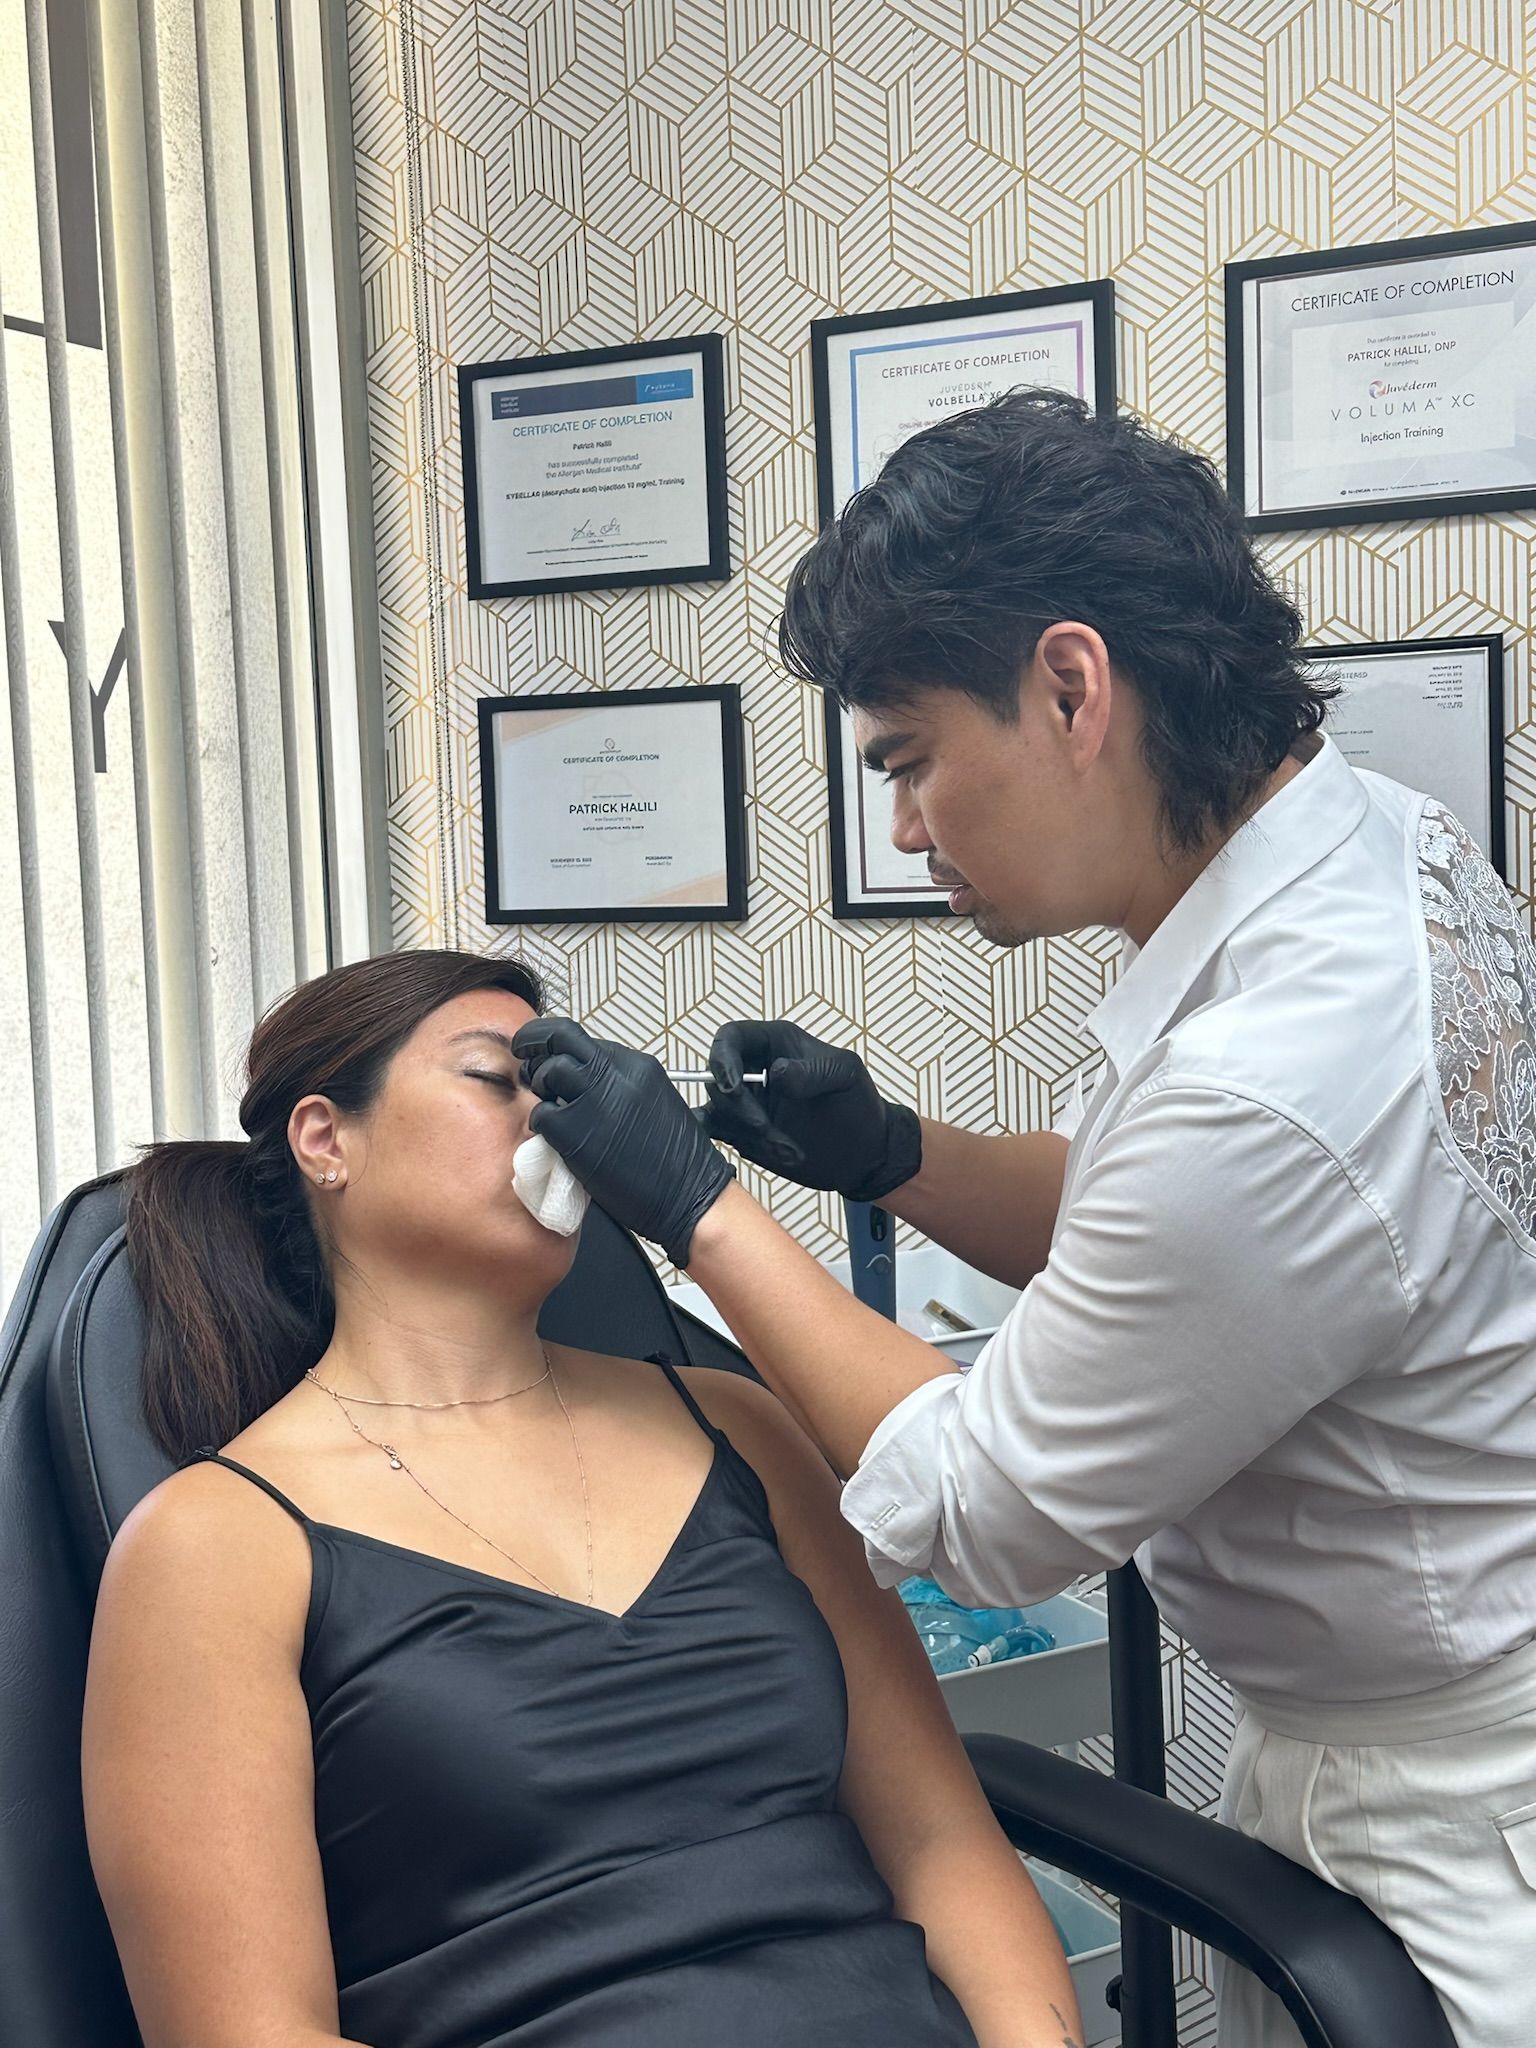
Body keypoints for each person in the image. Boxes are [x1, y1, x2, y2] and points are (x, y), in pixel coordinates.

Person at [512, 389, 1536, 2048]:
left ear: (1070, 685)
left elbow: (986, 1509)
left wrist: (699, 1207)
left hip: (1461, 1828)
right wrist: (891, 1151)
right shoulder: (1359, 856)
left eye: (910, 760)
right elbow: (1176, 1246)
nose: (905, 828)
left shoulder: (1272, 1072)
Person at [81, 948, 1081, 2048]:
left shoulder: (739, 1427)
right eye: (494, 1079)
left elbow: (941, 1840)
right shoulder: (215, 1544)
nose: (555, 1121)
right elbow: (248, 2031)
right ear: (327, 1139)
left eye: (561, 1086)